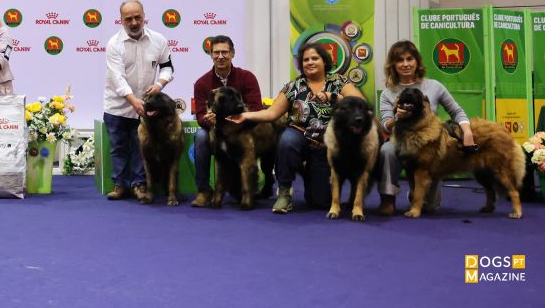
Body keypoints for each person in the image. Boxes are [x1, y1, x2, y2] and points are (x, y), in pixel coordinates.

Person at [231, 42, 363, 213]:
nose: (310, 62)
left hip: (326, 144)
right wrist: (245, 116)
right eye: (306, 60)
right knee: (286, 140)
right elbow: (271, 113)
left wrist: (333, 96)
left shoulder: (339, 81)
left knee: (320, 202)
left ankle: (308, 172)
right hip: (299, 136)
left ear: (324, 61)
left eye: (315, 58)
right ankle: (284, 193)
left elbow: (359, 103)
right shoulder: (293, 86)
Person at [376, 39, 474, 216]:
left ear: (417, 61)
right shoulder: (388, 92)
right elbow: (386, 124)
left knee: (429, 207)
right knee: (386, 150)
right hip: (401, 142)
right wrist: (397, 117)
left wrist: (467, 132)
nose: (405, 64)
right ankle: (388, 199)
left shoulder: (434, 86)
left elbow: (457, 111)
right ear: (393, 65)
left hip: (429, 146)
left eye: (409, 59)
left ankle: (417, 193)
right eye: (400, 60)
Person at [102, 0, 173, 201]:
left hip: (147, 108)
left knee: (142, 148)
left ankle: (140, 185)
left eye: (137, 17)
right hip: (117, 107)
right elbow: (117, 78)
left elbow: (167, 67)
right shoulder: (114, 44)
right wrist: (133, 100)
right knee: (118, 148)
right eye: (128, 19)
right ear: (121, 20)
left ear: (144, 16)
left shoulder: (159, 40)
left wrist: (159, 84)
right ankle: (120, 185)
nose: (134, 22)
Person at [190, 35, 264, 207]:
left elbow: (256, 109)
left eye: (225, 52)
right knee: (201, 136)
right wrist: (208, 120)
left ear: (232, 53)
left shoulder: (247, 77)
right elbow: (200, 116)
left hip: (243, 129)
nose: (220, 56)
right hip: (217, 130)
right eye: (216, 53)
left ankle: (255, 189)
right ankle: (203, 190)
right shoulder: (201, 83)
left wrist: (238, 121)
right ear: (211, 55)